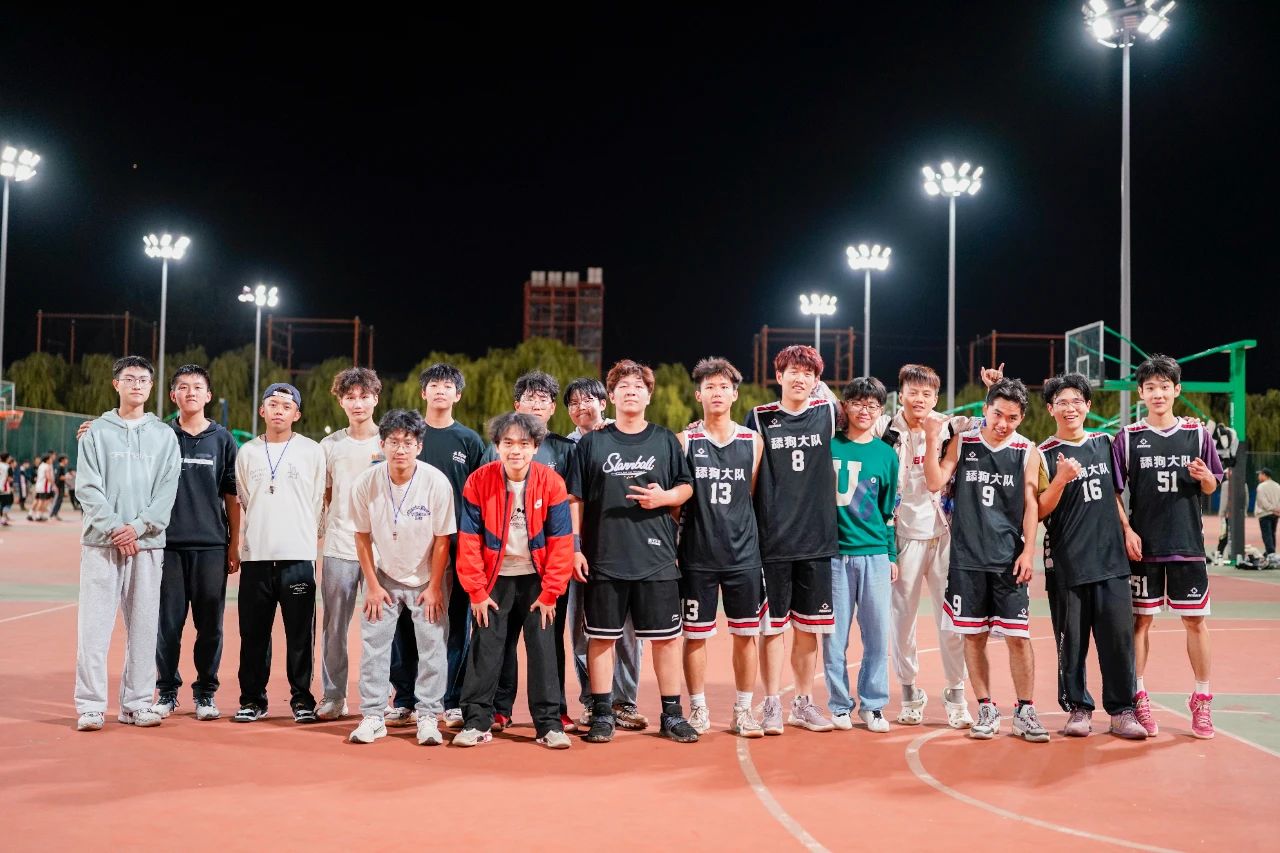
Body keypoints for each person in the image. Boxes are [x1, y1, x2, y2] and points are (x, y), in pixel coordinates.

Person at [569, 359, 699, 743]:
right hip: (604, 556)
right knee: (601, 638)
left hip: (656, 557)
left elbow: (686, 488)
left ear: (648, 396)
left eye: (638, 386)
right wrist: (576, 547)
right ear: (611, 396)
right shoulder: (592, 443)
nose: (631, 391)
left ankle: (672, 714)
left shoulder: (665, 440)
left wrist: (664, 498)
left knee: (665, 638)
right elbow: (575, 498)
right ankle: (603, 713)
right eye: (623, 386)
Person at [924, 378, 1049, 743]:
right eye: (997, 414)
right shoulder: (964, 442)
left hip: (1008, 559)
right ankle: (986, 708)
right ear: (985, 409)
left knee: (1018, 637)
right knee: (973, 636)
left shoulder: (1027, 451)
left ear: (1022, 417)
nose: (1003, 423)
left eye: (1012, 417)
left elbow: (1031, 505)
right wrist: (931, 440)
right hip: (966, 559)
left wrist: (1028, 551)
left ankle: (1025, 710)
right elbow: (935, 482)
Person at [1114, 355, 1223, 739]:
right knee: (1141, 622)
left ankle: (1202, 698)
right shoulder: (1128, 437)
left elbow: (1212, 484)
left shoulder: (1197, 433)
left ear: (1177, 390)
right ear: (1140, 393)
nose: (1157, 393)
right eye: (1150, 387)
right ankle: (1138, 695)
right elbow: (1114, 492)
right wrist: (1127, 529)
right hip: (1144, 547)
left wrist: (1206, 477)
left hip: (1187, 544)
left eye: (1164, 387)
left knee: (1195, 621)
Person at [454, 412, 575, 749]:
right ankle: (477, 721)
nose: (516, 450)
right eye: (508, 443)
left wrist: (551, 592)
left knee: (543, 649)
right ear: (497, 446)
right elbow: (469, 541)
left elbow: (561, 542)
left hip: (537, 580)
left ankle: (549, 725)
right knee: (485, 649)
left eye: (523, 443)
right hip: (495, 579)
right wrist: (477, 591)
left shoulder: (552, 483)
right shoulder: (479, 481)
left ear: (535, 447)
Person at [73, 356, 181, 731]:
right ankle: (90, 706)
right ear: (116, 384)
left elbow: (167, 491)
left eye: (143, 379)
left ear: (151, 387)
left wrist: (136, 528)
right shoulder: (96, 433)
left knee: (144, 628)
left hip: (147, 544)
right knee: (93, 628)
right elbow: (87, 488)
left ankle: (136, 703)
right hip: (101, 544)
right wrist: (115, 528)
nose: (137, 385)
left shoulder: (164, 436)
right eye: (129, 378)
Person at [1036, 373, 1146, 739]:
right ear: (1051, 409)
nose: (1070, 408)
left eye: (1076, 401)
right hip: (1068, 562)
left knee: (1118, 641)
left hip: (1111, 559)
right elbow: (1039, 509)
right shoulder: (1043, 453)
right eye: (1062, 402)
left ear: (1088, 406)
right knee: (1071, 644)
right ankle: (1078, 709)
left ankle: (1122, 710)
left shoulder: (1104, 442)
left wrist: (1127, 529)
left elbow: (1114, 494)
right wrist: (1061, 478)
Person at [346, 409, 454, 747]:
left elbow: (442, 540)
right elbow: (362, 536)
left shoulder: (436, 482)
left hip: (426, 577)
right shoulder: (366, 483)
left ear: (419, 446)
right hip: (384, 576)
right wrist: (372, 585)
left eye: (408, 442)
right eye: (393, 442)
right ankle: (373, 716)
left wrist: (435, 586)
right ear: (382, 444)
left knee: (432, 647)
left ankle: (428, 715)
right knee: (374, 648)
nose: (400, 449)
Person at [745, 345, 838, 734]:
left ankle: (802, 702)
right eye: (793, 371)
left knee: (808, 627)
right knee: (772, 627)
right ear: (778, 375)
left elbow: (869, 415)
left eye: (808, 373)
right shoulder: (760, 417)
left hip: (816, 539)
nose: (800, 378)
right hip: (773, 540)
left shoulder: (828, 412)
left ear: (817, 381)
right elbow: (748, 471)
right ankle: (771, 703)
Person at [878, 364, 974, 728]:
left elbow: (994, 420)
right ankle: (909, 693)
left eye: (927, 394)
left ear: (936, 398)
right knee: (902, 621)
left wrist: (994, 390)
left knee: (951, 622)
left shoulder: (950, 427)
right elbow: (845, 416)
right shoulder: (884, 428)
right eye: (913, 391)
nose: (919, 399)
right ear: (900, 393)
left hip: (944, 535)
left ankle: (956, 694)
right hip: (902, 536)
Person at [676, 358, 766, 737]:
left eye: (723, 387)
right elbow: (677, 502)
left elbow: (752, 494)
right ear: (698, 395)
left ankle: (743, 710)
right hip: (697, 554)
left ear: (735, 394)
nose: (717, 392)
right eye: (709, 387)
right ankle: (698, 709)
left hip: (743, 555)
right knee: (695, 634)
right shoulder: (684, 441)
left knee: (746, 634)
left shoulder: (752, 442)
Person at [233, 383, 326, 724]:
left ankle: (302, 699)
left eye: (286, 406)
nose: (279, 411)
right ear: (262, 410)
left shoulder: (312, 451)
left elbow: (318, 500)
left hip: (298, 557)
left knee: (300, 636)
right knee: (253, 635)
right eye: (272, 404)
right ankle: (252, 700)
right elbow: (245, 497)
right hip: (256, 557)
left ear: (296, 414)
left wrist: (303, 536)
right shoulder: (247, 453)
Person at [151, 365, 240, 721]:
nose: (191, 392)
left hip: (211, 546)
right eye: (183, 387)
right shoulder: (159, 435)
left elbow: (231, 494)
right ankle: (167, 691)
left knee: (210, 626)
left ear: (208, 395)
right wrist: (94, 429)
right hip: (168, 545)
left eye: (198, 387)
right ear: (173, 395)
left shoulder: (223, 439)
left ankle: (205, 693)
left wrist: (234, 544)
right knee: (168, 625)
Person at [404, 362, 487, 731]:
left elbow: (479, 496)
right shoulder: (408, 436)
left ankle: (451, 699)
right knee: (407, 623)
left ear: (458, 395)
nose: (440, 391)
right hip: (409, 544)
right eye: (434, 385)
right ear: (423, 392)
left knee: (455, 624)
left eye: (447, 386)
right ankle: (406, 699)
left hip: (456, 545)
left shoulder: (469, 440)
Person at [563, 376, 645, 732]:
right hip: (581, 551)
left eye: (589, 400)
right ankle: (593, 701)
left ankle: (624, 702)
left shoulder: (625, 434)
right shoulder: (565, 447)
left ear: (604, 401)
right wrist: (574, 546)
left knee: (627, 631)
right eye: (574, 403)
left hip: (624, 548)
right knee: (582, 630)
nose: (582, 407)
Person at [824, 377, 899, 733]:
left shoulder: (886, 455)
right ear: (845, 406)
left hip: (874, 555)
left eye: (872, 405)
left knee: (877, 635)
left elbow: (888, 512)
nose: (864, 410)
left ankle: (873, 705)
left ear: (880, 411)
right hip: (834, 555)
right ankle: (839, 705)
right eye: (857, 403)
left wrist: (891, 554)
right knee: (834, 638)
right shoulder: (828, 447)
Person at [317, 367, 384, 721]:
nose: (357, 403)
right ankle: (333, 696)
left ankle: (381, 698)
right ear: (340, 401)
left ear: (376, 398)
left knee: (382, 626)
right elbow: (326, 494)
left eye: (364, 396)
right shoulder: (330, 446)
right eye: (350, 397)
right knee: (334, 626)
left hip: (382, 551)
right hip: (340, 547)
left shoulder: (388, 442)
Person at [1256, 468, 1280, 557]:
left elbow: (1262, 502)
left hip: (1265, 513)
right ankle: (1270, 552)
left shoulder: (1261, 486)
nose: (1258, 477)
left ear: (1264, 475)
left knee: (1266, 535)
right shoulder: (1277, 485)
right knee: (1272, 534)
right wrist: (1277, 509)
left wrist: (1272, 508)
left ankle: (1270, 553)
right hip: (1275, 514)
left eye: (1260, 474)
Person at [0, 453, 14, 526]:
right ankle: (3, 519)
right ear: (7, 458)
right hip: (4, 488)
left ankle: (3, 518)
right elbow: (10, 479)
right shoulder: (8, 467)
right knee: (7, 503)